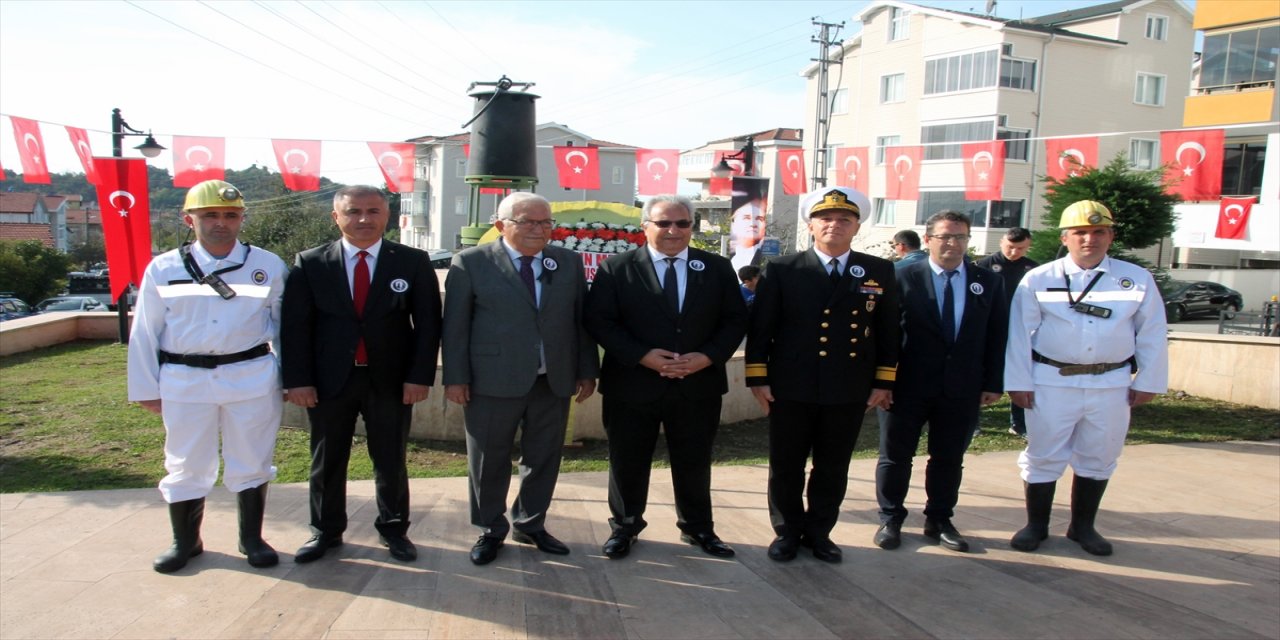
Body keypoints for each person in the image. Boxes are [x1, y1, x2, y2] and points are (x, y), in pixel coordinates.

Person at [127, 179, 286, 573]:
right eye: (210, 215)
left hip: (251, 376)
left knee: (253, 457)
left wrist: (289, 379)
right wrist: (145, 387)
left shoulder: (267, 265)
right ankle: (186, 541)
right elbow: (145, 330)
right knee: (186, 461)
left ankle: (251, 538)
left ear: (242, 218)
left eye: (230, 215)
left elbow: (286, 328)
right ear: (189, 220)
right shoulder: (164, 268)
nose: (221, 223)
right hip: (185, 379)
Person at [281, 185, 442, 563]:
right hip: (329, 382)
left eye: (373, 211)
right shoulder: (311, 262)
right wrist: (298, 380)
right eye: (353, 211)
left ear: (388, 215)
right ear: (336, 217)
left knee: (390, 458)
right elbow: (295, 327)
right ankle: (325, 531)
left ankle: (394, 529)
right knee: (327, 458)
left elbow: (429, 325)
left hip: (390, 380)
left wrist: (419, 376)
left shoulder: (412, 261)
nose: (364, 219)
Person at [584, 194, 748, 560]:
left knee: (694, 461)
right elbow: (600, 321)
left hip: (697, 384)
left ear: (691, 227)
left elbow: (735, 319)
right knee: (627, 461)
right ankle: (625, 526)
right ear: (645, 226)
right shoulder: (617, 268)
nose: (673, 230)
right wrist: (643, 356)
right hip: (633, 383)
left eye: (682, 223)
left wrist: (707, 357)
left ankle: (698, 528)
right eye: (663, 223)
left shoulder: (717, 267)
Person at [442, 193, 599, 566]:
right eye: (528, 221)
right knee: (488, 459)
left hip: (553, 379)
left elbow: (580, 321)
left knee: (544, 457)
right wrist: (456, 378)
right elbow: (455, 327)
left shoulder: (567, 261)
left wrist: (586, 370)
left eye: (545, 222)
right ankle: (490, 529)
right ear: (501, 224)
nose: (538, 229)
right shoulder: (471, 262)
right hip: (491, 381)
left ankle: (530, 523)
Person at [745, 186, 899, 563]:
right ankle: (786, 532)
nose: (834, 224)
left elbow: (888, 330)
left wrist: (883, 382)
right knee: (786, 465)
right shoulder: (784, 268)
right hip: (790, 386)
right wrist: (758, 378)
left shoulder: (878, 270)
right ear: (811, 226)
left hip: (848, 386)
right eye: (825, 218)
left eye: (844, 219)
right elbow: (762, 328)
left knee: (832, 466)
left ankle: (819, 533)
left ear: (857, 227)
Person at [1005, 200, 1168, 556]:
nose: (1089, 239)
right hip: (1052, 381)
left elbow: (1152, 332)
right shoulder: (1039, 278)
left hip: (1111, 384)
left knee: (1100, 453)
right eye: (1080, 232)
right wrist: (1018, 382)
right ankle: (1036, 525)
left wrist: (1149, 381)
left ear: (1111, 236)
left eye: (1098, 232)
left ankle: (1082, 527)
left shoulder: (1136, 278)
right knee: (1044, 453)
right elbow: (1018, 334)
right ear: (1064, 238)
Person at [873, 211, 1007, 553]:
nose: (953, 243)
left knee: (948, 458)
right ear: (928, 239)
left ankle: (939, 520)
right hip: (905, 386)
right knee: (895, 457)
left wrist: (993, 381)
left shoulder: (987, 281)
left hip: (961, 386)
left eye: (960, 237)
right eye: (945, 236)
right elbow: (883, 334)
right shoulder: (901, 276)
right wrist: (882, 382)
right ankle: (891, 518)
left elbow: (997, 333)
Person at [976, 227, 1039, 436]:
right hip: (989, 327)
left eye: (1020, 248)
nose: (1014, 252)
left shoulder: (1033, 270)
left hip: (1020, 327)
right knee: (980, 372)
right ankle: (974, 421)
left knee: (1020, 371)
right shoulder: (983, 266)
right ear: (1002, 242)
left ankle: (1018, 423)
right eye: (1010, 247)